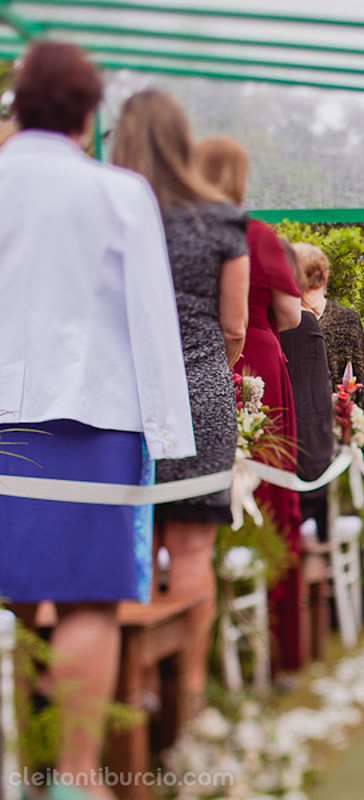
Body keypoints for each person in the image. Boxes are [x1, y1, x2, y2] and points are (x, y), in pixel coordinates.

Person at [0, 44, 196, 799]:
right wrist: (173, 440)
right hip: (93, 418)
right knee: (86, 596)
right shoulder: (119, 193)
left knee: (18, 595)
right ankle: (75, 779)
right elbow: (152, 318)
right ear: (89, 114)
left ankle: (23, 763)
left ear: (18, 102)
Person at [111, 89, 251, 721]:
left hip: (119, 399)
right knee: (192, 548)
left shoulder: (109, 211)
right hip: (200, 390)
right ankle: (189, 694)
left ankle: (133, 689)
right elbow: (236, 327)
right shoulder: (219, 219)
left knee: (130, 541)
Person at [195, 134, 306, 672]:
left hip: (192, 360)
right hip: (256, 355)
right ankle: (276, 640)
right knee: (269, 486)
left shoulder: (178, 230)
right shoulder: (256, 235)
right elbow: (291, 315)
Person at [280, 243, 336, 541]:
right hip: (307, 454)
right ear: (322, 276)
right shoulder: (305, 323)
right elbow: (315, 400)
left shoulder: (268, 320)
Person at [300, 252, 364, 412]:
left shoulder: (347, 318)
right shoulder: (285, 319)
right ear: (325, 276)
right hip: (313, 417)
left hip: (336, 416)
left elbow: (360, 376)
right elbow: (362, 380)